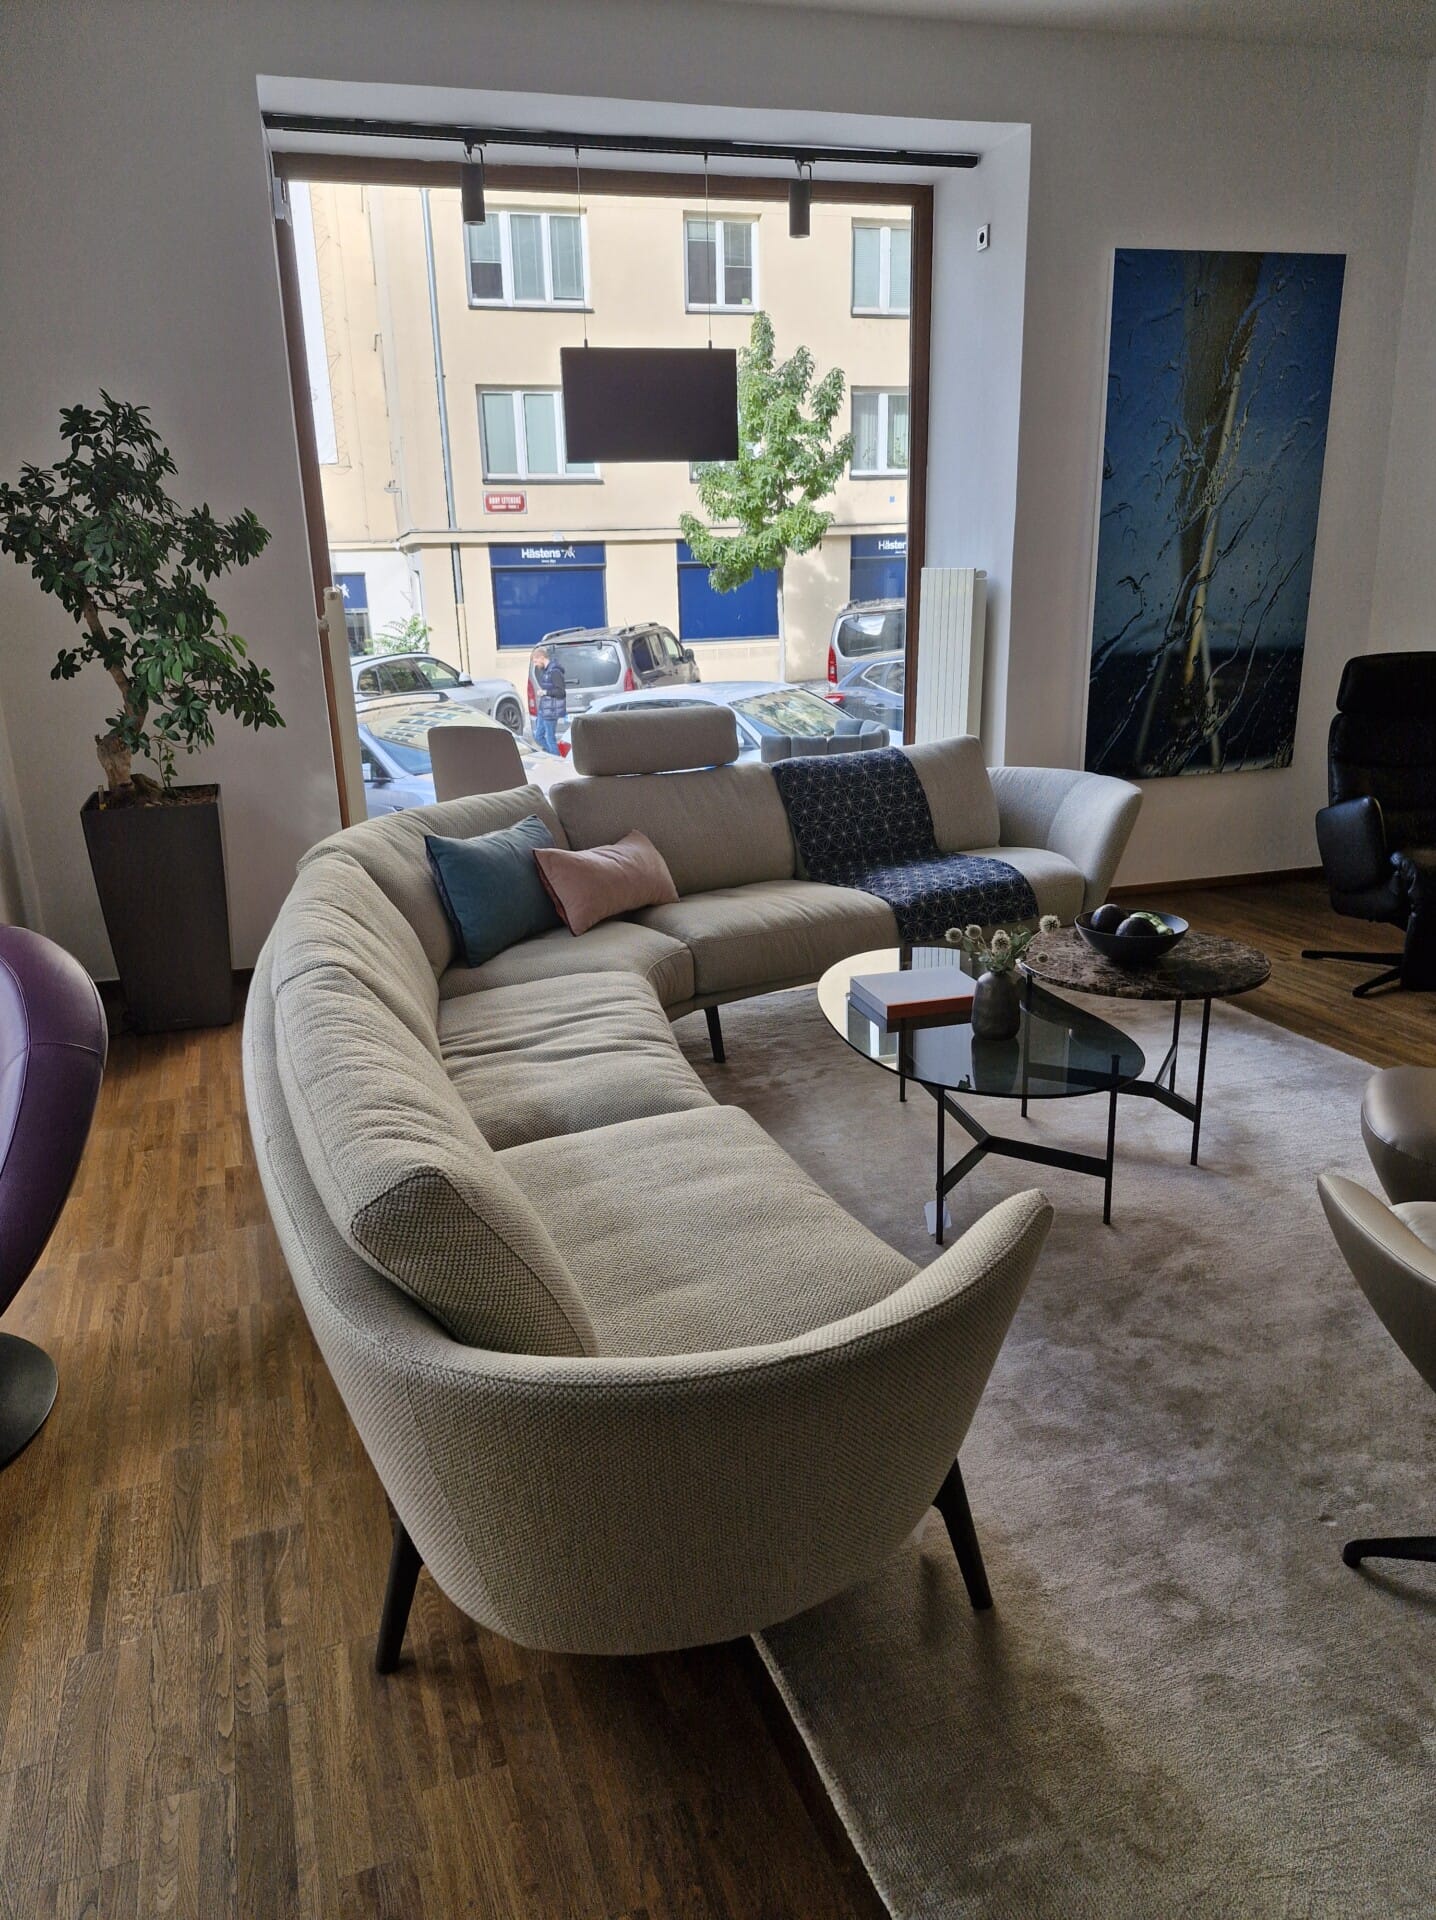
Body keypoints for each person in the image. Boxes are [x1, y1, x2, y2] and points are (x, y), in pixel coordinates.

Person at [532, 645, 567, 756]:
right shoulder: (546, 671)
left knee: (550, 738)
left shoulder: (555, 672)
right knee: (538, 736)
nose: (535, 664)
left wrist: (545, 692)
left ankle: (556, 758)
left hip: (551, 710)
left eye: (536, 661)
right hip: (544, 709)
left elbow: (561, 692)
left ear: (542, 658)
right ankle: (552, 755)